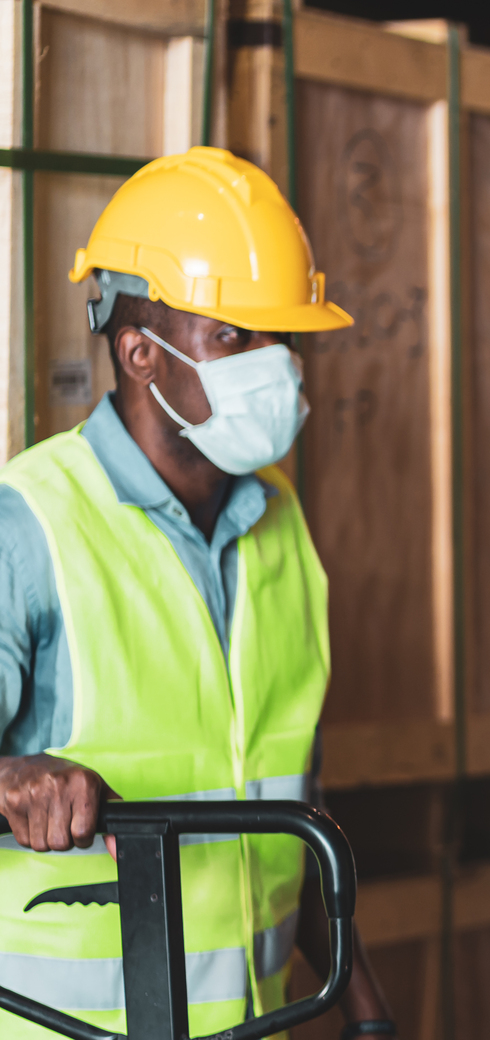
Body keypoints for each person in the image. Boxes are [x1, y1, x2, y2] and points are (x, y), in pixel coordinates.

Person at [0, 148, 395, 1038]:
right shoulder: (29, 526)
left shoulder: (281, 523)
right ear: (140, 351)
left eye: (281, 337)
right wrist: (13, 777)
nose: (276, 365)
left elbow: (296, 793)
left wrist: (363, 1001)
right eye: (235, 337)